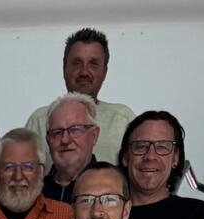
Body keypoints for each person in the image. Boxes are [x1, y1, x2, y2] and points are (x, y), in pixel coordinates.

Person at [25, 28, 136, 166]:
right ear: (64, 68)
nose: (84, 72)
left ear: (105, 71)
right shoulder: (39, 120)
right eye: (76, 63)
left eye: (93, 64)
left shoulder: (122, 119)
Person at [40, 93, 101, 204]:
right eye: (57, 132)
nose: (65, 140)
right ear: (48, 141)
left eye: (75, 129)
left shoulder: (111, 188)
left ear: (94, 135)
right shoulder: (35, 192)